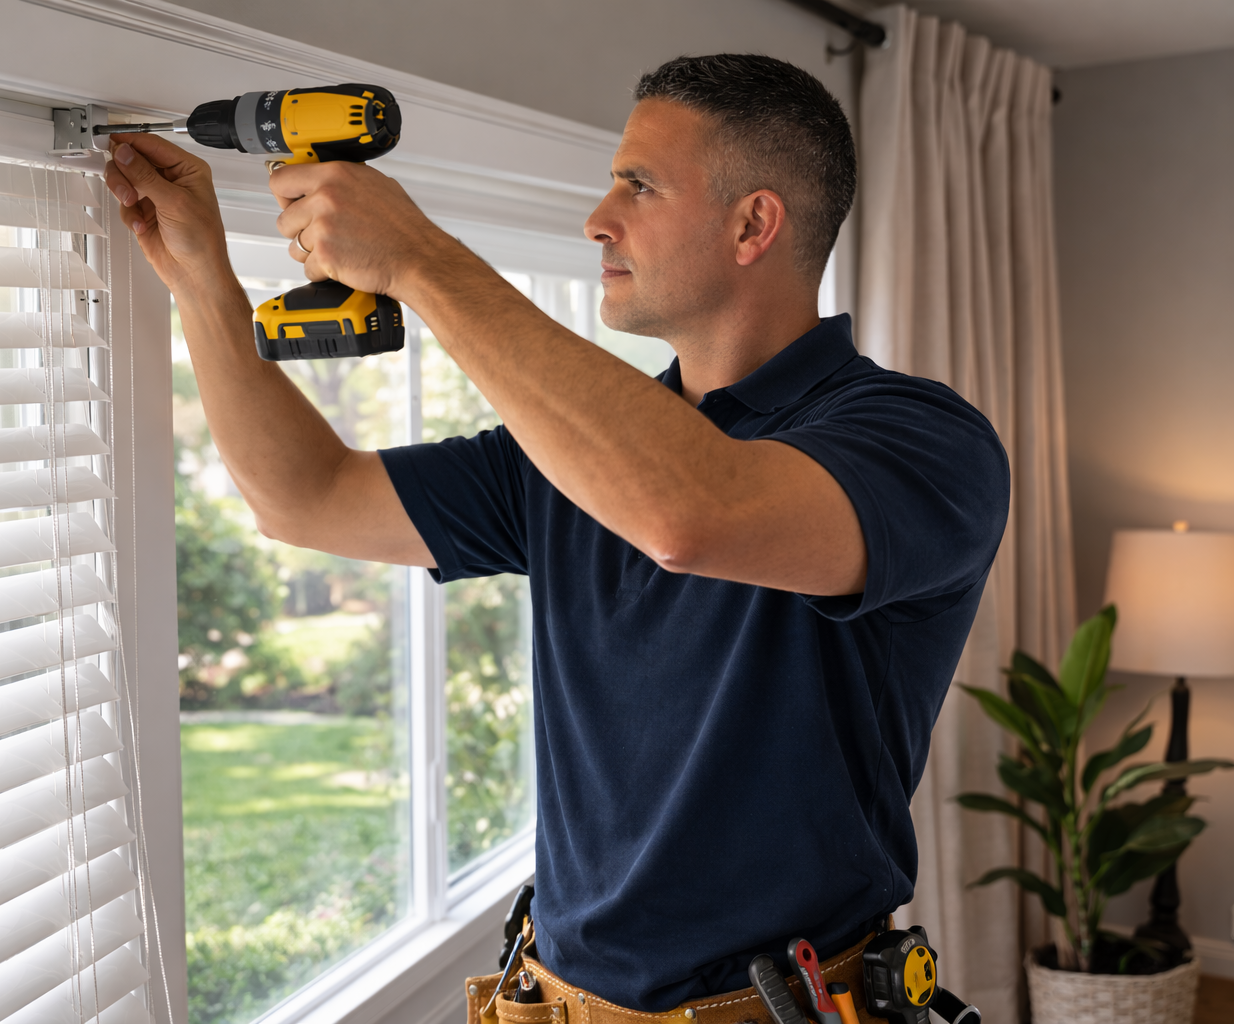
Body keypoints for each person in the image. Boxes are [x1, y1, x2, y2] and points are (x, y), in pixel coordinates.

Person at [105, 53, 1008, 1016]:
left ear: (755, 223)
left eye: (639, 184)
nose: (596, 217)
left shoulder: (922, 440)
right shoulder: (568, 452)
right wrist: (205, 283)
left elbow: (690, 514)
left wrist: (421, 258)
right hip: (554, 995)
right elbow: (306, 495)